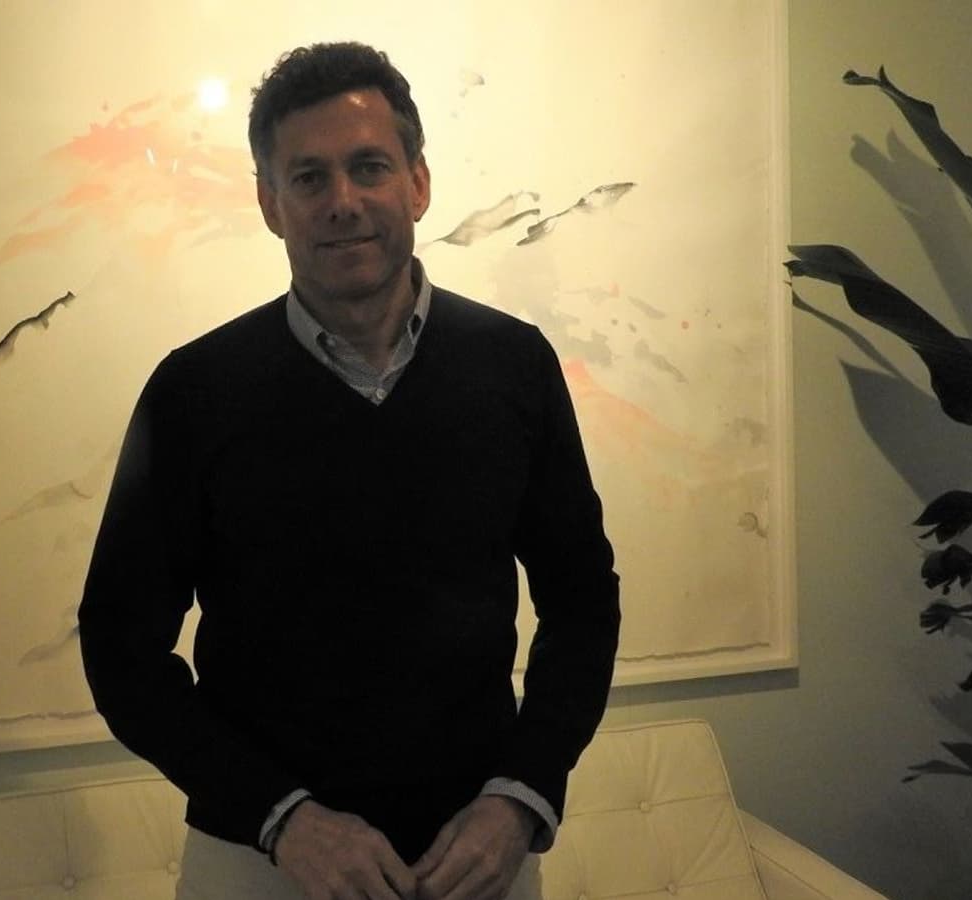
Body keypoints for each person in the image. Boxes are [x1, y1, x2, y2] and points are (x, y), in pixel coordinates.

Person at [78, 41, 620, 900]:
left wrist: (522, 797)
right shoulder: (194, 391)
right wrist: (281, 817)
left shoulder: (515, 365)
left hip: (478, 857)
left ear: (418, 182)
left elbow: (583, 603)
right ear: (270, 203)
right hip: (260, 863)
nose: (343, 202)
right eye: (309, 177)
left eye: (369, 166)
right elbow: (119, 647)